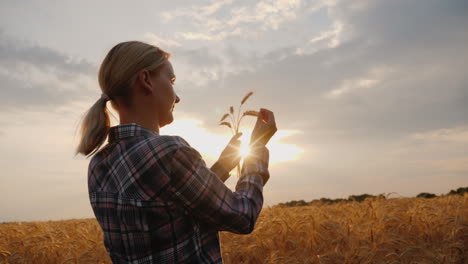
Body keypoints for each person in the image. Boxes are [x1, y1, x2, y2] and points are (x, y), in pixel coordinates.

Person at [75, 41, 277, 264]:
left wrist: (223, 164)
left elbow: (173, 202)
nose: (177, 97)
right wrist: (257, 149)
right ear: (146, 80)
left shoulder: (99, 164)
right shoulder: (169, 153)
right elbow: (242, 215)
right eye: (171, 81)